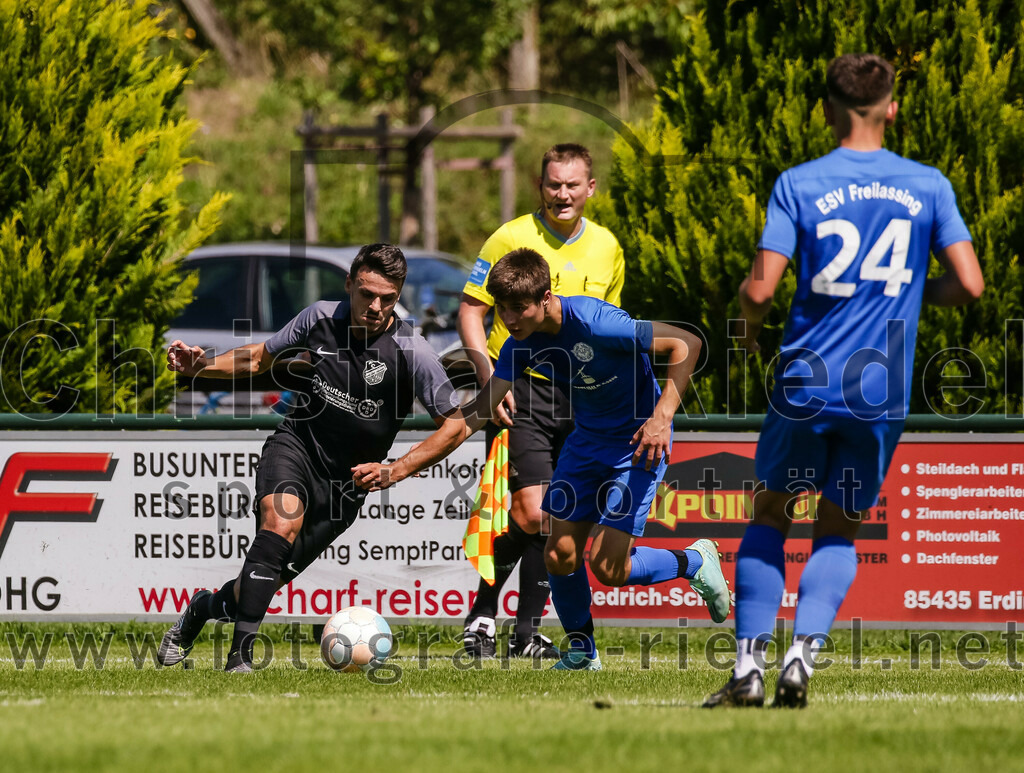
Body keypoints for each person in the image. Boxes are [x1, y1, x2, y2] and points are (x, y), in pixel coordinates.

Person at [703, 53, 984, 708]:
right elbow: (970, 283)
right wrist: (916, 289)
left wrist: (744, 327)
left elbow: (762, 287)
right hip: (878, 389)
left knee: (771, 513)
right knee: (838, 526)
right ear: (892, 108)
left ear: (827, 109)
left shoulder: (799, 182)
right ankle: (803, 653)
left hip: (807, 381)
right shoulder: (928, 184)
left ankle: (748, 666)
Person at [353, 248, 731, 670]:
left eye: (519, 309)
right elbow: (470, 419)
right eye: (502, 310)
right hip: (587, 444)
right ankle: (582, 654)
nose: (510, 321)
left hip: (637, 445)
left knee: (608, 567)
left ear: (546, 298)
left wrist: (662, 417)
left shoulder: (596, 322)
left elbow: (687, 342)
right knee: (559, 554)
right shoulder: (519, 347)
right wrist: (397, 468)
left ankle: (695, 561)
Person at [157, 244, 465, 672]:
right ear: (349, 286)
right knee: (280, 522)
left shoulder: (413, 351)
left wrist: (396, 469)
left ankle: (202, 609)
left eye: (387, 298)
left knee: (255, 587)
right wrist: (199, 367)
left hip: (345, 486)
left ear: (398, 297)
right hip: (296, 446)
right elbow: (259, 358)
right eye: (366, 294)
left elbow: (455, 425)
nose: (375, 307)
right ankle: (239, 660)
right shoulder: (319, 317)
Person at [456, 143, 625, 659]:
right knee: (531, 515)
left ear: (590, 188)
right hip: (518, 388)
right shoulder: (510, 237)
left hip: (582, 398)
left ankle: (523, 631)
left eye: (573, 184)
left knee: (555, 517)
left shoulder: (608, 247)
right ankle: (485, 612)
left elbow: (610, 334)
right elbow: (470, 310)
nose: (563, 194)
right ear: (540, 185)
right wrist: (489, 378)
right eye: (554, 184)